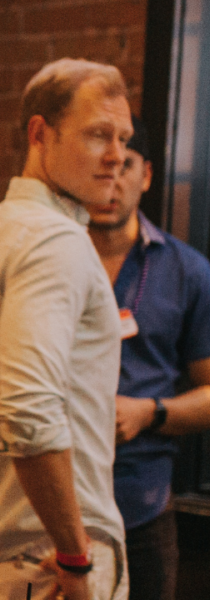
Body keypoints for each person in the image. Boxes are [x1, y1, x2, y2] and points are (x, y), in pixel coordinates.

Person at [0, 58, 132, 600]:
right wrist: (75, 556)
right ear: (40, 134)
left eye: (123, 138)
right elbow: (29, 412)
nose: (116, 155)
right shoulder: (54, 241)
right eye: (98, 134)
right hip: (46, 561)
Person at [86, 116, 210, 600]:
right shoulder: (52, 261)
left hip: (142, 503)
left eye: (127, 165)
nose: (112, 179)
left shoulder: (187, 271)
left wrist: (149, 413)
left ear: (147, 175)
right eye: (103, 165)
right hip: (49, 501)